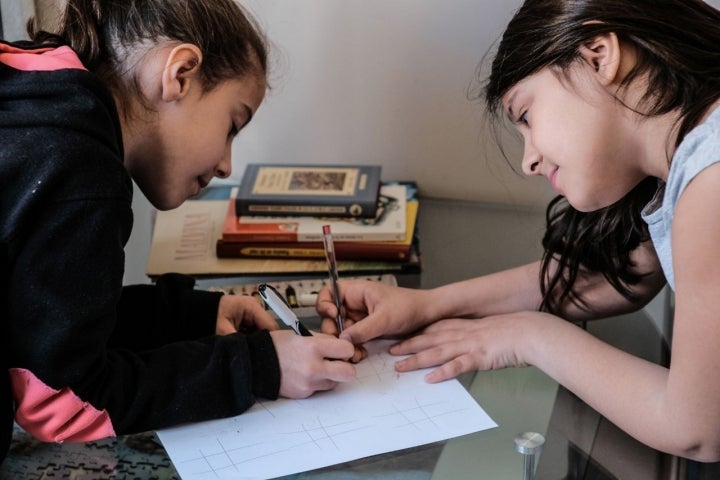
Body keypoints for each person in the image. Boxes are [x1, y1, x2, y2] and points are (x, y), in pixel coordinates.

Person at [318, 0, 720, 462]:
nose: (529, 160)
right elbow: (620, 276)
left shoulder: (711, 178)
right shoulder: (688, 163)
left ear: (598, 55)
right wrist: (426, 305)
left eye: (526, 116)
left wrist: (529, 336)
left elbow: (695, 429)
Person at [0, 0, 356, 464]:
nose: (227, 165)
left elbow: (49, 326)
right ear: (181, 74)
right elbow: (66, 402)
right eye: (233, 125)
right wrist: (261, 366)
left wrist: (192, 315)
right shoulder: (82, 171)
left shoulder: (37, 102)